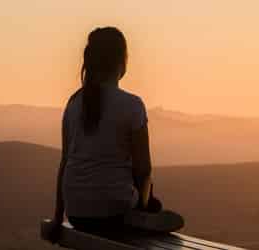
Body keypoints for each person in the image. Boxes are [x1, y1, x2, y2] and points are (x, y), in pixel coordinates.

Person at [45, 27, 182, 243]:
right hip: (114, 211)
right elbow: (144, 170)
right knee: (150, 198)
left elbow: (65, 164)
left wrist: (57, 218)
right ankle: (144, 216)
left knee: (138, 196)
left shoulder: (73, 104)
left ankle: (144, 212)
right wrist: (143, 205)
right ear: (121, 61)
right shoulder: (132, 105)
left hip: (77, 213)